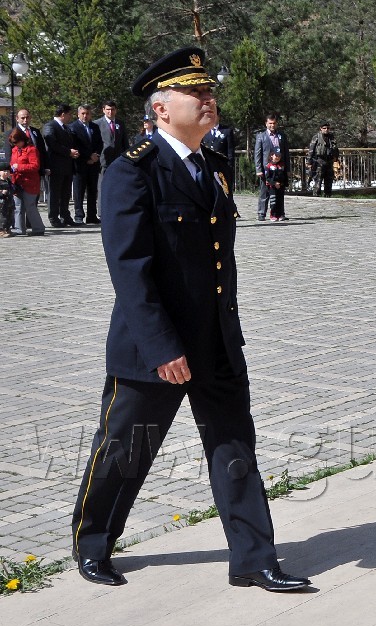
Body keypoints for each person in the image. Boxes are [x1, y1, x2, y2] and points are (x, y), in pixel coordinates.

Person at [71, 46, 311, 593]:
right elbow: (130, 271)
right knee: (124, 450)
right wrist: (162, 348)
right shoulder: (130, 172)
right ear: (161, 109)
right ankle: (93, 544)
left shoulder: (214, 167)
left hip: (216, 341)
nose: (209, 100)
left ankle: (254, 557)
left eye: (210, 91)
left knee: (234, 449)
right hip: (155, 349)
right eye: (195, 93)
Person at [42, 103, 78, 227]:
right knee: (54, 193)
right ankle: (54, 218)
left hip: (67, 166)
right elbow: (51, 142)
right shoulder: (50, 126)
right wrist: (68, 152)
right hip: (55, 166)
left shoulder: (66, 128)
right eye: (69, 114)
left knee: (65, 193)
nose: (70, 117)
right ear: (63, 114)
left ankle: (65, 216)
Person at [8, 127, 45, 236]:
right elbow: (12, 164)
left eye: (16, 142)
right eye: (13, 143)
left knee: (30, 207)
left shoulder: (31, 150)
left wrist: (19, 167)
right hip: (17, 182)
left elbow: (35, 166)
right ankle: (20, 229)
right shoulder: (15, 150)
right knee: (18, 207)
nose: (15, 145)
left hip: (30, 182)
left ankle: (38, 228)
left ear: (22, 139)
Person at [71, 104, 104, 224]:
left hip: (93, 164)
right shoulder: (73, 127)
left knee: (92, 190)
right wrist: (88, 156)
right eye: (83, 113)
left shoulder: (94, 126)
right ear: (78, 114)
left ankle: (92, 215)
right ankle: (79, 215)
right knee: (79, 191)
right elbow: (75, 145)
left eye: (87, 113)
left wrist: (96, 156)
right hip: (80, 164)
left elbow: (100, 143)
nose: (85, 116)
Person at [12, 110, 49, 210]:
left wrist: (45, 167)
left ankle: (30, 222)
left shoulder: (35, 131)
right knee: (19, 202)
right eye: (22, 118)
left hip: (35, 172)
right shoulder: (12, 132)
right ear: (17, 118)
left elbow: (42, 151)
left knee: (33, 200)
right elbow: (9, 154)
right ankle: (20, 224)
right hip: (19, 173)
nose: (25, 120)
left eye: (27, 117)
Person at [254, 114, 288, 221]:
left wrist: (288, 169)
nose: (272, 125)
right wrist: (259, 169)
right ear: (266, 124)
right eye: (270, 123)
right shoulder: (261, 136)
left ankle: (280, 213)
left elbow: (286, 153)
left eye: (274, 123)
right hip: (266, 169)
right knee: (264, 191)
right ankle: (261, 213)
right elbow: (258, 154)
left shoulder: (282, 136)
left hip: (279, 169)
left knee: (279, 192)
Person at [202, 119, 236, 190]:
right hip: (208, 166)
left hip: (222, 166)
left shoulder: (226, 131)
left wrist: (230, 166)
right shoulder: (205, 131)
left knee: (224, 190)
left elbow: (230, 151)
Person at [307, 124, 337, 197]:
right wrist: (309, 161)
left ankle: (328, 195)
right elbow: (311, 149)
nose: (326, 129)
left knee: (329, 180)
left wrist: (336, 157)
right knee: (318, 180)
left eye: (328, 128)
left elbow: (335, 148)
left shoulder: (331, 137)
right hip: (319, 161)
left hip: (329, 161)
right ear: (321, 128)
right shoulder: (316, 137)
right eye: (324, 128)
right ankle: (316, 196)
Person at [95, 101, 125, 169]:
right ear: (103, 110)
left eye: (112, 109)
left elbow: (124, 142)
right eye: (108, 109)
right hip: (103, 161)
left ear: (116, 110)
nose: (110, 112)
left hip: (118, 160)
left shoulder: (120, 123)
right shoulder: (97, 124)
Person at [264, 152, 287, 220]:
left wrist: (284, 183)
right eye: (276, 156)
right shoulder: (268, 166)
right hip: (272, 187)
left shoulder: (282, 165)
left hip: (281, 186)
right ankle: (273, 215)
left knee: (280, 201)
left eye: (279, 156)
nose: (278, 157)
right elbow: (267, 177)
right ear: (271, 156)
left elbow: (284, 175)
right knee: (273, 201)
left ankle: (281, 215)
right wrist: (274, 183)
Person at [0, 167, 13, 238]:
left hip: (9, 202)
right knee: (2, 217)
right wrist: (1, 192)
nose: (6, 173)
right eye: (4, 171)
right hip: (1, 202)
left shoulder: (9, 180)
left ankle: (7, 229)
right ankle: (1, 230)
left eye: (7, 171)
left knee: (9, 216)